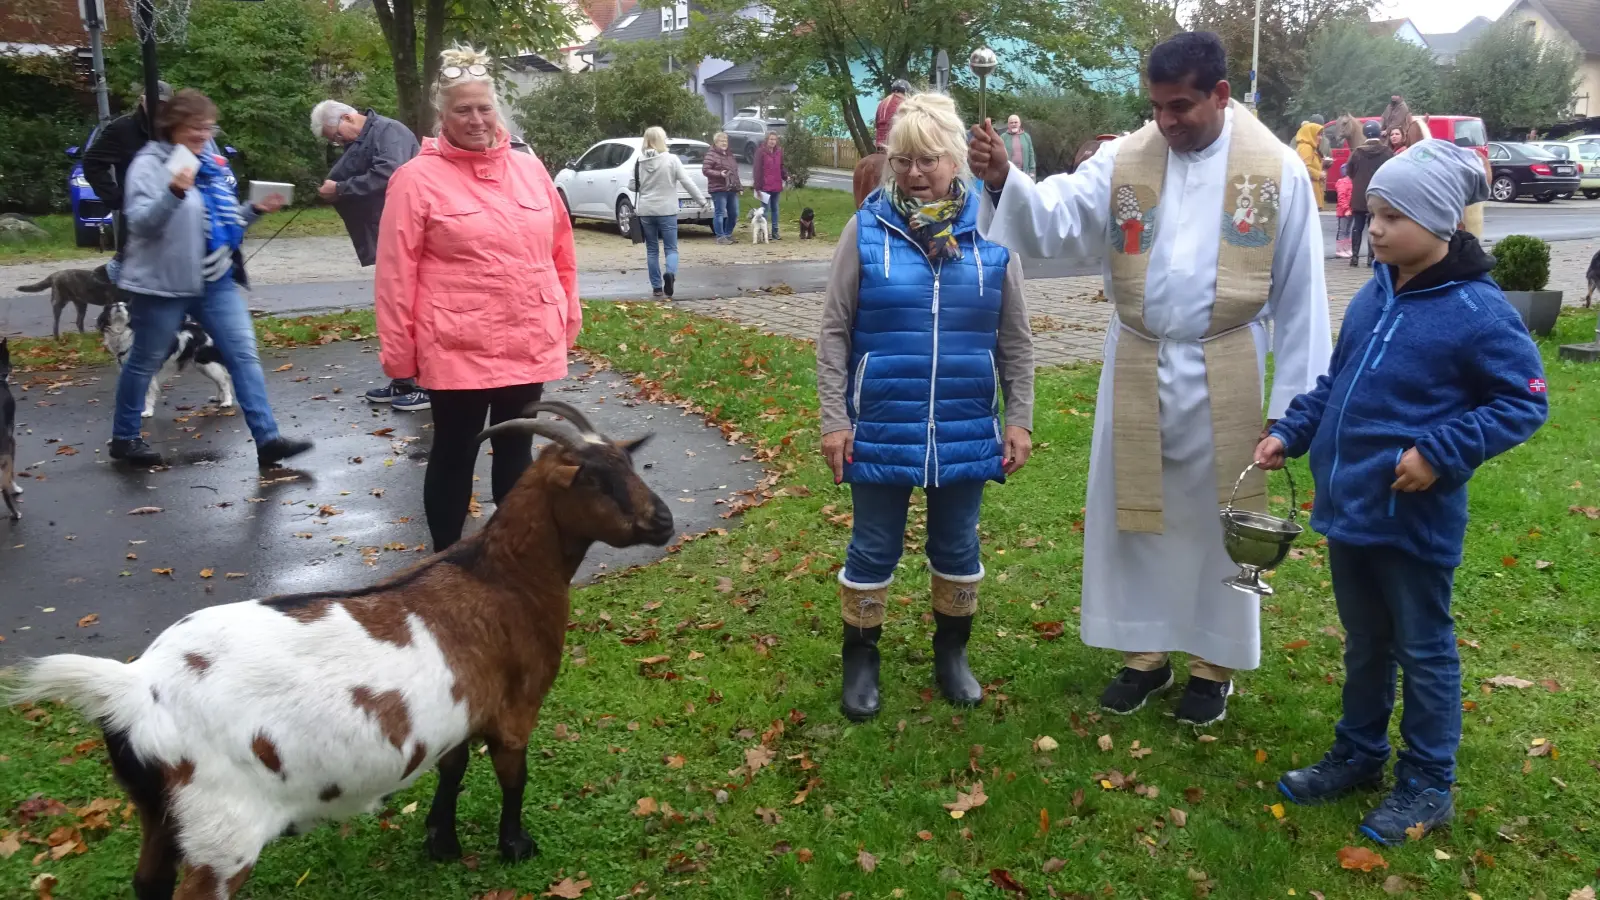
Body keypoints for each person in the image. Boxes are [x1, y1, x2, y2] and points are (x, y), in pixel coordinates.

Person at [968, 31, 1331, 727]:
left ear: (1220, 94)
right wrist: (1001, 180)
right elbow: (1058, 216)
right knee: (1137, 518)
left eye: (1181, 107)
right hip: (1138, 360)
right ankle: (1145, 655)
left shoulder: (1275, 170)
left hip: (1227, 363)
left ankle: (1213, 665)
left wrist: (1294, 410)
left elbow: (1303, 298)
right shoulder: (1127, 158)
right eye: (1157, 107)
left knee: (1216, 523)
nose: (1166, 122)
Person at [1257, 139, 1547, 845]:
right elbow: (1336, 383)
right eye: (1372, 213)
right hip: (1351, 509)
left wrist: (1439, 453)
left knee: (1423, 649)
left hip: (1413, 520)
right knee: (1366, 641)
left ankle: (1427, 782)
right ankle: (1358, 752)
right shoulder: (1374, 293)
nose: (1374, 229)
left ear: (1440, 222)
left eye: (1392, 217)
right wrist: (1292, 431)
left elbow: (1524, 400)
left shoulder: (1478, 310)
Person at [817, 91, 1035, 722]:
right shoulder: (866, 229)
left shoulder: (992, 233)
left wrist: (1018, 417)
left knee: (957, 545)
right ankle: (861, 659)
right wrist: (835, 419)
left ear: (956, 161)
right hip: (881, 421)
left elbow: (1016, 339)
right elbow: (834, 329)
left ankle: (952, 654)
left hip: (965, 422)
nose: (914, 173)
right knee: (873, 545)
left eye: (928, 160)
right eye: (903, 160)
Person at [375, 46, 579, 552]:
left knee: (516, 448)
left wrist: (566, 315)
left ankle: (509, 562)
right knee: (455, 451)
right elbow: (396, 273)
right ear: (442, 115)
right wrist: (400, 353)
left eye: (484, 107)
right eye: (462, 109)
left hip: (527, 334)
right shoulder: (415, 179)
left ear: (497, 109)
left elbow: (561, 250)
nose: (476, 119)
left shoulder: (529, 169)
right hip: (456, 342)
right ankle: (446, 564)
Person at [109, 89, 312, 470]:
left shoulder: (210, 166)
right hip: (164, 284)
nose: (204, 135)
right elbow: (140, 224)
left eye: (208, 127)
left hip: (216, 281)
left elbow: (223, 223)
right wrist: (173, 191)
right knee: (145, 360)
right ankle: (124, 437)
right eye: (195, 127)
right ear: (172, 126)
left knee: (243, 355)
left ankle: (268, 439)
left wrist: (254, 209)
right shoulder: (150, 164)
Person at [309, 100, 425, 409]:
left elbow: (389, 174)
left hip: (407, 232)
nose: (338, 143)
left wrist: (341, 189)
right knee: (394, 313)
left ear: (348, 118)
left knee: (411, 310)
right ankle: (403, 379)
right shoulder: (366, 136)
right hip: (387, 232)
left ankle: (425, 384)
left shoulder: (389, 131)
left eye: (336, 136)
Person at [82, 80, 173, 283]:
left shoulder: (174, 130)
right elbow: (92, 161)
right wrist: (114, 197)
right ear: (142, 100)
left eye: (163, 104)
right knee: (131, 271)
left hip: (171, 215)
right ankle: (109, 290)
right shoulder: (122, 129)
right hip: (137, 217)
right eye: (154, 102)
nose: (159, 108)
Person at [631, 127, 708, 298]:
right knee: (671, 248)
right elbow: (686, 182)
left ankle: (657, 287)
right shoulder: (671, 159)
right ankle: (670, 273)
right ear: (661, 140)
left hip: (646, 211)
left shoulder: (639, 161)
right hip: (667, 210)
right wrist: (701, 201)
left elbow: (632, 185)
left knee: (652, 250)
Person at [1346, 121, 1393, 268]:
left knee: (1357, 227)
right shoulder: (1387, 152)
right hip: (1378, 195)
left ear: (1365, 134)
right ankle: (1371, 258)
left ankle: (1354, 258)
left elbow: (1349, 171)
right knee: (1374, 226)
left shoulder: (1357, 152)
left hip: (1359, 196)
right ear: (1379, 132)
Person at [703, 131, 742, 245]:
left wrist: (739, 187)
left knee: (734, 213)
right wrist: (720, 174)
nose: (724, 143)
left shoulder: (730, 155)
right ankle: (720, 237)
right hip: (718, 188)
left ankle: (728, 234)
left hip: (731, 188)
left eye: (726, 141)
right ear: (716, 142)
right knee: (719, 213)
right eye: (721, 141)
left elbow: (734, 172)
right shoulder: (711, 154)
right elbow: (705, 170)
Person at [752, 131, 788, 240]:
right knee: (765, 210)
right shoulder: (761, 152)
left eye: (774, 139)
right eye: (771, 139)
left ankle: (775, 231)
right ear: (767, 140)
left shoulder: (779, 151)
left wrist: (785, 176)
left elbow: (781, 166)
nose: (773, 141)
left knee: (775, 209)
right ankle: (765, 232)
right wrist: (757, 186)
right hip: (765, 185)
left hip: (776, 184)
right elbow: (757, 169)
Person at [1295, 119, 1326, 209]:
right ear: (1310, 134)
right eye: (1318, 135)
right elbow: (1304, 168)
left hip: (1311, 191)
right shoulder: (1306, 148)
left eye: (1321, 135)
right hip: (1310, 191)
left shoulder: (1309, 147)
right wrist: (1319, 174)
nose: (1320, 138)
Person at [874, 79, 911, 150]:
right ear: (906, 92)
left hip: (880, 145)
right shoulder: (904, 103)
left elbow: (876, 124)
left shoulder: (882, 103)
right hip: (896, 144)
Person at [1001, 115, 1037, 180]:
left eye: (1016, 122)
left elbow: (1031, 154)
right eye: (1011, 123)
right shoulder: (1003, 137)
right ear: (1008, 125)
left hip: (1024, 172)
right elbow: (999, 155)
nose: (1013, 124)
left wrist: (1032, 171)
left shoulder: (1026, 136)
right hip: (1008, 173)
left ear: (1019, 124)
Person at [1334, 173, 1354, 258]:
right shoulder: (1343, 183)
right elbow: (1341, 197)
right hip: (1343, 211)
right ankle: (1339, 250)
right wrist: (1346, 208)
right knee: (1342, 230)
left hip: (1350, 210)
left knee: (1348, 230)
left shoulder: (1351, 182)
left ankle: (1346, 248)